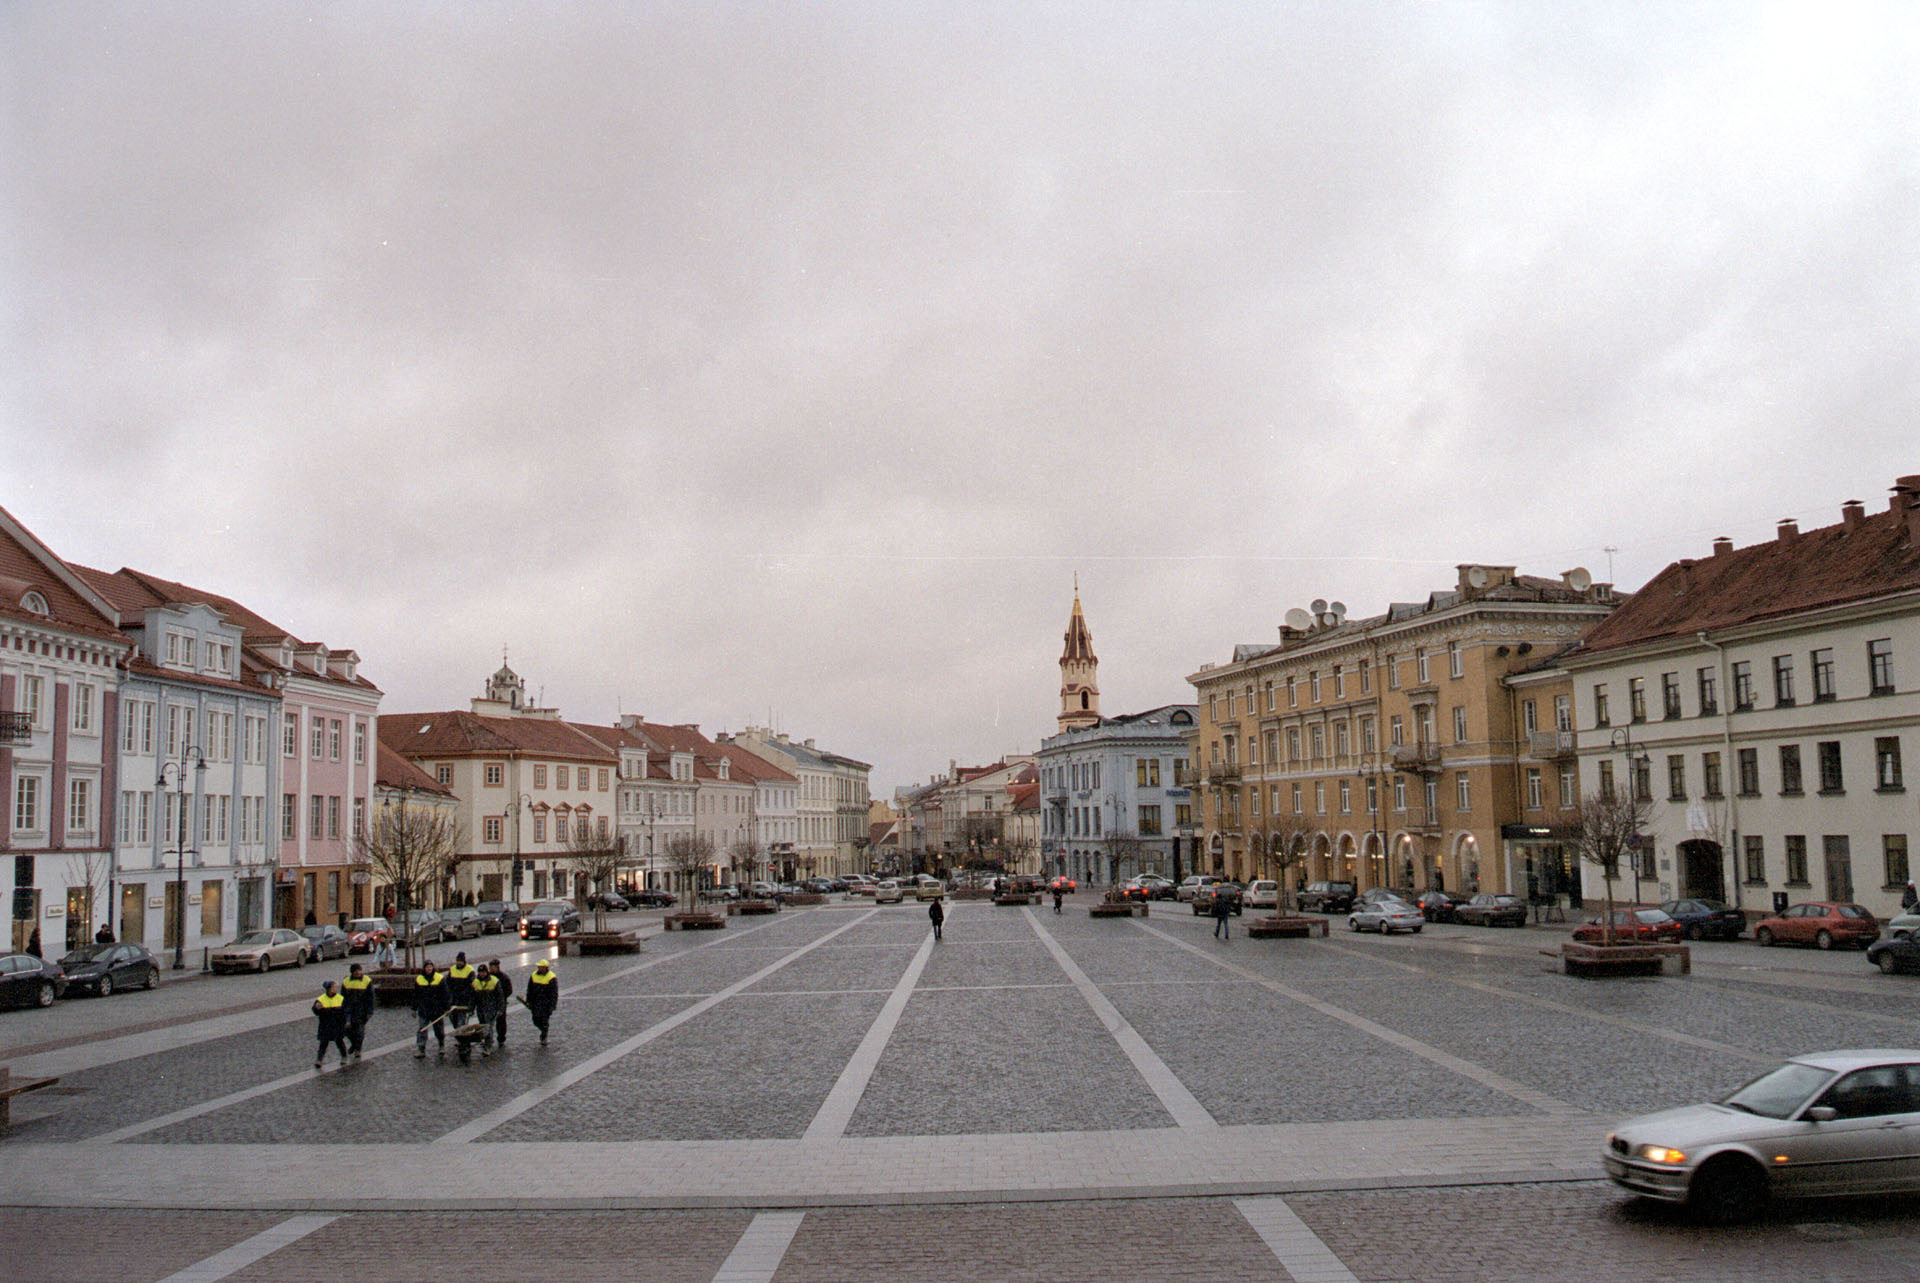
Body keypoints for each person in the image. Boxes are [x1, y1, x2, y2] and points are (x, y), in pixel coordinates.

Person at [413, 961, 450, 1058]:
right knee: (422, 1029)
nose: (429, 969)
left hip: (437, 1010)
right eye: (427, 967)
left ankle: (441, 1045)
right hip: (424, 1009)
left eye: (430, 967)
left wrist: (446, 1008)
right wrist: (414, 1008)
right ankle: (421, 1049)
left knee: (439, 1030)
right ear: (424, 968)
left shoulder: (439, 978)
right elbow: (416, 995)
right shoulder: (419, 979)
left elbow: (445, 994)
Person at [341, 964, 374, 1061]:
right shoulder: (346, 981)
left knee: (359, 1031)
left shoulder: (367, 981)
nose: (358, 973)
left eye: (359, 971)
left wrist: (369, 1011)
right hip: (349, 1010)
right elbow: (342, 997)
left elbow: (371, 997)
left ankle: (358, 1049)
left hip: (362, 1010)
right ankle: (354, 1044)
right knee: (347, 1030)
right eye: (356, 971)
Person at [312, 980, 349, 1069]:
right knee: (323, 1043)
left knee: (339, 1041)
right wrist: (317, 1008)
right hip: (326, 1025)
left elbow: (346, 1011)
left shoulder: (340, 998)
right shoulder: (321, 999)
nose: (336, 988)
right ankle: (319, 1060)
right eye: (334, 987)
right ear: (329, 989)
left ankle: (344, 1056)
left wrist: (347, 1021)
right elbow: (316, 1011)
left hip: (337, 1024)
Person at [471, 966, 504, 1056]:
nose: (482, 974)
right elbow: (473, 998)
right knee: (483, 1026)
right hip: (480, 1009)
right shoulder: (475, 982)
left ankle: (488, 1046)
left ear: (486, 972)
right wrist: (471, 1009)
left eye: (483, 972)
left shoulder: (494, 981)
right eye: (480, 972)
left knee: (488, 1027)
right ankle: (487, 1042)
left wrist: (501, 1008)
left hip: (491, 1009)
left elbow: (500, 996)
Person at [524, 959, 558, 1044]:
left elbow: (554, 992)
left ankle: (544, 1035)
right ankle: (543, 1029)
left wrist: (552, 1005)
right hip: (536, 1002)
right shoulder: (534, 975)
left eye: (541, 967)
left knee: (544, 1020)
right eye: (539, 967)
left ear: (546, 967)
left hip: (546, 1003)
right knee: (535, 1019)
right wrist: (529, 1000)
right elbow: (530, 989)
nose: (540, 968)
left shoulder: (551, 977)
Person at [486, 958, 514, 1048]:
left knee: (501, 1021)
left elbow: (509, 990)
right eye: (490, 967)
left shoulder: (503, 977)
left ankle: (501, 1038)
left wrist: (501, 998)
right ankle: (488, 1038)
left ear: (497, 967)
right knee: (488, 1022)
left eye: (492, 967)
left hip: (500, 1003)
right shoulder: (487, 977)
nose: (491, 969)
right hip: (489, 1003)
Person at [444, 952, 477, 1024]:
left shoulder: (470, 970)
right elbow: (447, 984)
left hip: (464, 1000)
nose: (459, 963)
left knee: (461, 1022)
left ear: (464, 961)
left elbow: (472, 987)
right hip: (453, 1000)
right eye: (457, 961)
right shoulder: (452, 969)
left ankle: (461, 1033)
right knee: (454, 1021)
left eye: (460, 961)